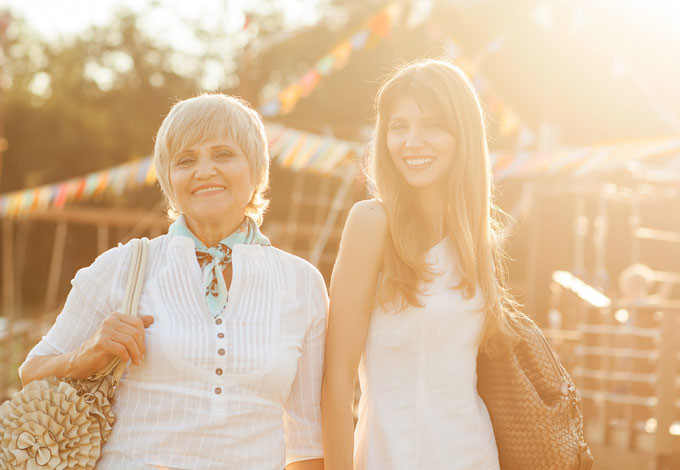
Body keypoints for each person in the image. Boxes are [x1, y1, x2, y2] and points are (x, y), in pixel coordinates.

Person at [19, 94, 327, 470]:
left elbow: (308, 439)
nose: (204, 171)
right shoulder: (123, 265)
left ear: (257, 169)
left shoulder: (302, 284)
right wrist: (88, 355)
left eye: (223, 154)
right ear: (169, 179)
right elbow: (30, 375)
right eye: (185, 160)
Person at [322, 59, 520, 470]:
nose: (412, 141)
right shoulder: (371, 222)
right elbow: (336, 384)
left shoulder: (477, 239)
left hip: (476, 456)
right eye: (399, 126)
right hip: (389, 457)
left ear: (461, 135)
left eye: (432, 125)